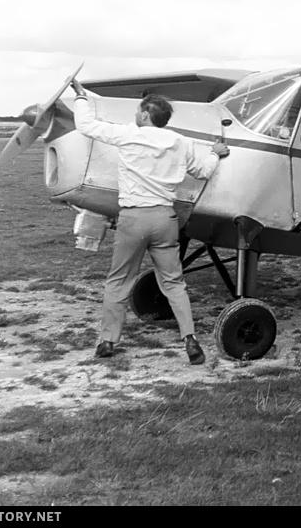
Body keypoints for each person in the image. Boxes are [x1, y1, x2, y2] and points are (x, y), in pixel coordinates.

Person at [70, 79, 230, 364]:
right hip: (165, 219)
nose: (135, 115)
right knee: (173, 282)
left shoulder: (130, 135)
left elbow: (86, 126)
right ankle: (190, 339)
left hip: (133, 218)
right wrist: (216, 154)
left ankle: (107, 340)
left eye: (138, 112)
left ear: (145, 115)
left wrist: (82, 97)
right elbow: (204, 171)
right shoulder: (181, 142)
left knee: (119, 280)